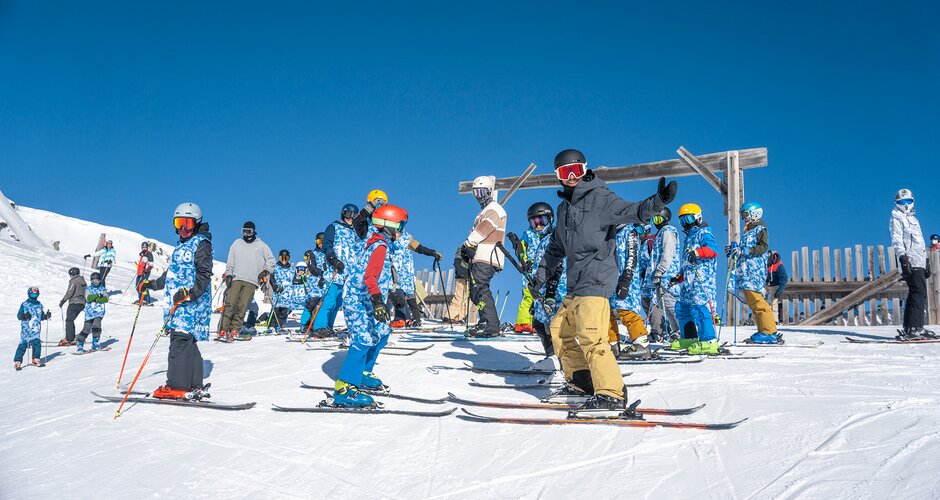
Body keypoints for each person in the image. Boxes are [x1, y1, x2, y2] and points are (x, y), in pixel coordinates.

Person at [531, 148, 677, 414]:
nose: (572, 176)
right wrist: (540, 277)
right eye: (566, 172)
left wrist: (658, 201)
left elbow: (633, 211)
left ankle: (610, 393)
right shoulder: (564, 209)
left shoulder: (601, 199)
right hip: (576, 283)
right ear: (558, 177)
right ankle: (581, 382)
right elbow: (555, 249)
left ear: (585, 170)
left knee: (591, 335)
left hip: (597, 279)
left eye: (577, 170)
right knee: (560, 329)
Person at [333, 204, 409, 407]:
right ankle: (344, 389)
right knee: (363, 339)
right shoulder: (379, 246)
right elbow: (370, 276)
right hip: (358, 300)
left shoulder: (379, 242)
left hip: (369, 298)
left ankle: (364, 372)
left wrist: (391, 295)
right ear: (389, 225)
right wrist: (377, 301)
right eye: (400, 226)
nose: (402, 231)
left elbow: (379, 276)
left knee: (382, 332)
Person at [139, 202, 213, 400]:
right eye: (179, 223)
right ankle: (193, 383)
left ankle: (177, 385)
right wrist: (151, 285)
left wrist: (189, 293)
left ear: (196, 224)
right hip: (181, 303)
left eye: (187, 224)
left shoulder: (201, 244)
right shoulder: (181, 245)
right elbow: (171, 275)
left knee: (179, 340)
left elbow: (204, 275)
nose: (183, 229)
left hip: (191, 304)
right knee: (188, 341)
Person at [508, 203, 560, 354]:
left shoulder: (554, 236)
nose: (537, 225)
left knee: (547, 304)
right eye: (534, 222)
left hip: (550, 277)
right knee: (529, 298)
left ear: (550, 219)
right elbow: (522, 250)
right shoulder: (528, 234)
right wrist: (520, 252)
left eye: (541, 221)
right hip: (532, 274)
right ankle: (524, 322)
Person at [728, 202, 779, 343]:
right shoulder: (747, 232)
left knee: (758, 301)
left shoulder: (760, 230)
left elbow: (763, 247)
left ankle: (769, 332)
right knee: (752, 302)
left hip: (754, 271)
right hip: (745, 272)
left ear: (755, 214)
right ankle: (763, 330)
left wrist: (745, 250)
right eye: (742, 215)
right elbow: (744, 251)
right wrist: (734, 251)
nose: (743, 217)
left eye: (746, 214)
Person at [673, 203, 720, 354]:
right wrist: (679, 276)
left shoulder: (703, 233)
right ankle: (690, 338)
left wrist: (698, 252)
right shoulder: (688, 238)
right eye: (682, 220)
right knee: (682, 307)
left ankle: (709, 341)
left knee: (700, 308)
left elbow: (713, 249)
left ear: (697, 218)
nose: (685, 223)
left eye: (688, 219)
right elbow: (687, 263)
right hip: (689, 282)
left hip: (702, 280)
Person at [463, 175, 507, 338]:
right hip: (480, 255)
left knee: (480, 287)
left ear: (489, 191)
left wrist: (469, 243)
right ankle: (485, 320)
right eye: (475, 192)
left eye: (482, 191)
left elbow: (484, 229)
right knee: (475, 290)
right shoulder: (485, 211)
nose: (479, 196)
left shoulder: (494, 209)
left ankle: (491, 325)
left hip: (488, 255)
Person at [890, 189, 935, 340]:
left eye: (908, 201)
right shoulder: (896, 217)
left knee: (915, 292)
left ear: (913, 202)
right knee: (919, 293)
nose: (906, 205)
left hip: (919, 261)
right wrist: (903, 258)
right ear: (897, 204)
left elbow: (920, 243)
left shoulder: (914, 220)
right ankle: (915, 328)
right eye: (902, 202)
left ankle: (910, 327)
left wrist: (926, 261)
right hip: (910, 260)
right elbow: (897, 239)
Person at [218, 221, 275, 342]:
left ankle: (235, 330)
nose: (246, 234)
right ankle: (223, 329)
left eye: (248, 231)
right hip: (236, 278)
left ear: (254, 231)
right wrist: (229, 274)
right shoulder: (237, 243)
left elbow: (271, 260)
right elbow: (230, 260)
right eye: (244, 231)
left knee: (242, 306)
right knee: (230, 303)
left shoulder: (261, 245)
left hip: (251, 280)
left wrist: (265, 271)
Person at [316, 203, 362, 336]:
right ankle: (319, 326)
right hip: (334, 272)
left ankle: (328, 327)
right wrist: (333, 259)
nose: (351, 218)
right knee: (329, 301)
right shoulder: (333, 227)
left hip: (347, 274)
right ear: (343, 214)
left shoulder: (355, 233)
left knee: (337, 303)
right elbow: (327, 245)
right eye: (349, 214)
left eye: (354, 215)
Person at [609, 224, 653, 360]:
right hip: (610, 279)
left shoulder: (629, 232)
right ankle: (612, 344)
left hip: (625, 278)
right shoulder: (610, 232)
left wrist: (626, 279)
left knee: (626, 310)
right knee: (606, 312)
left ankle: (642, 343)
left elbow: (632, 256)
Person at [388, 231, 442, 328]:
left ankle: (401, 319)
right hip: (404, 269)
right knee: (407, 292)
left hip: (398, 269)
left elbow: (418, 248)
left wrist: (432, 252)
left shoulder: (403, 236)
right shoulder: (405, 236)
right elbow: (418, 248)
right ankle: (413, 319)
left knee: (401, 291)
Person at [645, 207, 681, 343]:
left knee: (670, 304)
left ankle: (682, 331)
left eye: (659, 219)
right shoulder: (660, 233)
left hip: (667, 275)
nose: (656, 222)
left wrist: (660, 270)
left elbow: (668, 252)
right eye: (654, 219)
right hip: (659, 275)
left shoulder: (667, 231)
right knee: (663, 305)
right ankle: (676, 332)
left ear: (666, 219)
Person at [15, 287, 51, 370]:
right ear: (28, 294)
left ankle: (35, 359)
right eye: (32, 294)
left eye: (35, 294)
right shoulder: (24, 304)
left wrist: (46, 316)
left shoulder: (39, 305)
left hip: (36, 328)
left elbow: (41, 316)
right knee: (23, 344)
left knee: (37, 344)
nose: (34, 296)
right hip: (26, 328)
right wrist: (24, 316)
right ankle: (17, 361)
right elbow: (19, 316)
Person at [76, 272, 108, 353]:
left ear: (100, 281)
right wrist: (97, 296)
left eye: (97, 281)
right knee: (86, 329)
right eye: (93, 281)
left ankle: (95, 343)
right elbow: (88, 298)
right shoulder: (88, 289)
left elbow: (106, 299)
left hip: (99, 312)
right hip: (89, 312)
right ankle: (80, 343)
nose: (95, 283)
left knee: (96, 326)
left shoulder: (103, 289)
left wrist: (97, 299)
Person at [57, 267, 86, 346]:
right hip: (82, 304)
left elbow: (70, 292)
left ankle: (69, 339)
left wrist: (63, 301)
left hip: (74, 303)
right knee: (71, 320)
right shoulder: (83, 281)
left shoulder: (74, 281)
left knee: (69, 321)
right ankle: (71, 337)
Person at [445, 245, 472, 323]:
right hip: (462, 276)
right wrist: (461, 273)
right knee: (459, 296)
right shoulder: (462, 248)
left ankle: (459, 317)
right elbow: (457, 261)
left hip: (471, 277)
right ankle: (450, 316)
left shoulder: (478, 249)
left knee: (469, 298)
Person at [269, 249, 294, 333]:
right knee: (276, 309)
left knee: (284, 311)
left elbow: (293, 280)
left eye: (286, 258)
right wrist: (275, 286)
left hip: (287, 293)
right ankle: (271, 326)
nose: (283, 260)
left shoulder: (291, 269)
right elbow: (272, 278)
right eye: (281, 258)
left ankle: (279, 326)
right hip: (278, 291)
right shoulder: (276, 267)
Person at [766, 250, 788, 322]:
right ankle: (763, 319)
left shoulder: (779, 266)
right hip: (767, 285)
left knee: (773, 303)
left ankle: (774, 321)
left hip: (775, 286)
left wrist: (779, 290)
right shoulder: (765, 264)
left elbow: (784, 278)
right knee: (760, 299)